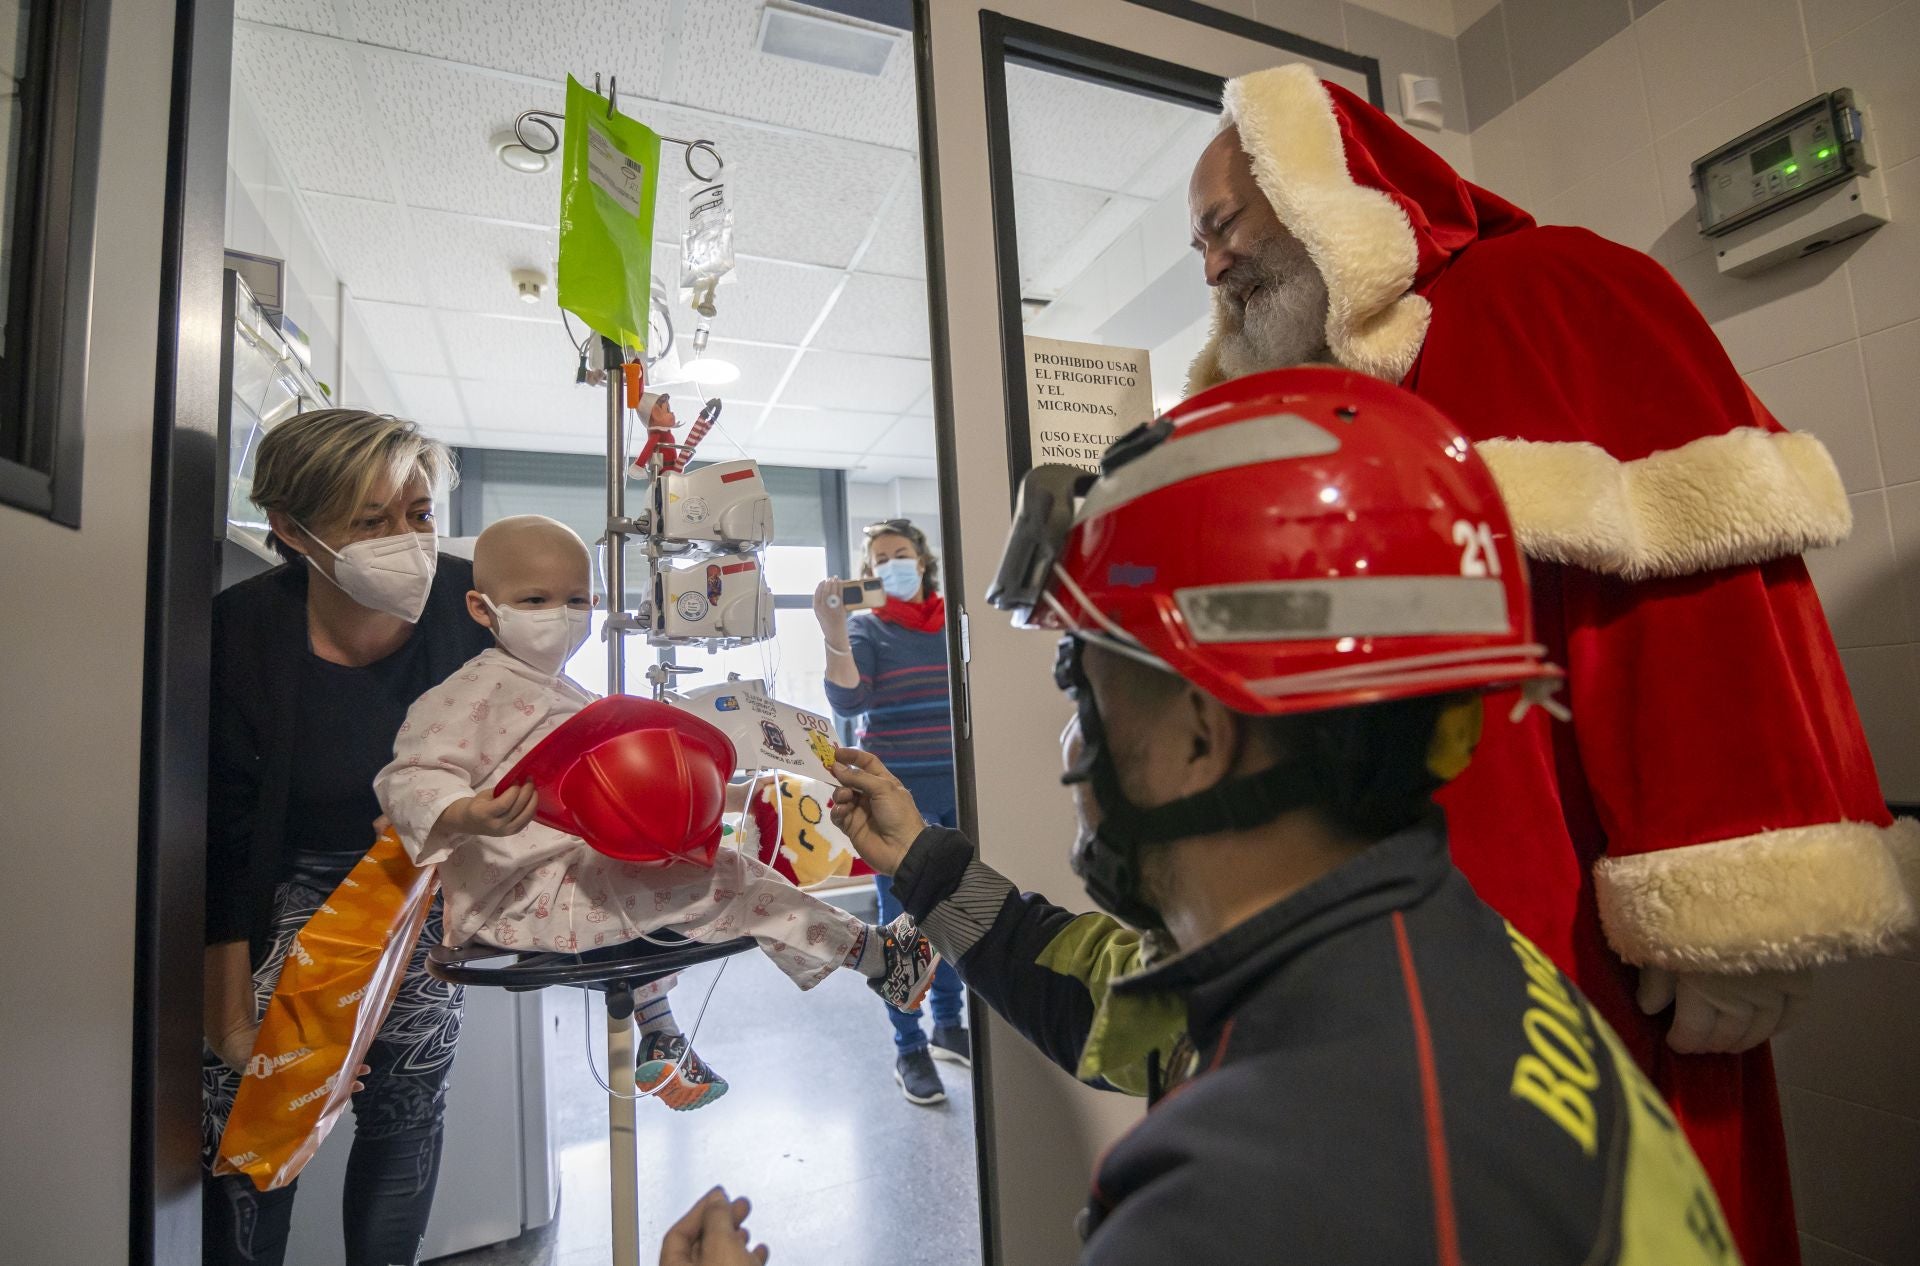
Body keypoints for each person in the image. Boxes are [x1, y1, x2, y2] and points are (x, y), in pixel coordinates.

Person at [665, 368, 1743, 1264]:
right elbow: (1103, 993)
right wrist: (924, 862)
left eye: (1086, 689)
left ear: (1200, 728)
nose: (1071, 746)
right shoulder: (1422, 957)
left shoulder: (1257, 1194)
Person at [1178, 65, 1918, 1264]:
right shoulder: (1306, 431)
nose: (1210, 267)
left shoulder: (1547, 290)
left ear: (1322, 185)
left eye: (1225, 223)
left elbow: (1707, 590)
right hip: (1373, 977)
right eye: (1197, 245)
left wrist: (1726, 901)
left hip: (1575, 950)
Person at [374, 515, 942, 1110]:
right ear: (483, 609)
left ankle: (662, 1039)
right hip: (523, 897)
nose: (561, 615)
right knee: (728, 878)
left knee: (648, 879)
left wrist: (729, 795)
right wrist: (464, 812)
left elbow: (619, 787)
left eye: (577, 600)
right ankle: (878, 956)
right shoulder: (467, 695)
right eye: (535, 600)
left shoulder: (568, 694)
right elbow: (409, 778)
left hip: (563, 878)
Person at [202, 410, 489, 1266]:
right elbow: (217, 840)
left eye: (420, 513)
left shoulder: (472, 609)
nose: (407, 540)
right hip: (282, 901)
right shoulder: (237, 637)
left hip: (423, 897)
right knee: (254, 1127)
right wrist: (228, 1025)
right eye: (371, 521)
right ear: (290, 529)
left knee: (405, 1110)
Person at [813, 518, 969, 1105]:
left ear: (922, 560)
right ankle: (909, 1049)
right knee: (905, 927)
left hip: (961, 786)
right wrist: (834, 631)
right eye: (878, 560)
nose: (889, 566)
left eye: (899, 554)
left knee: (955, 910)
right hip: (897, 795)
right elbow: (851, 699)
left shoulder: (953, 621)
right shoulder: (868, 628)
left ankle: (950, 1025)